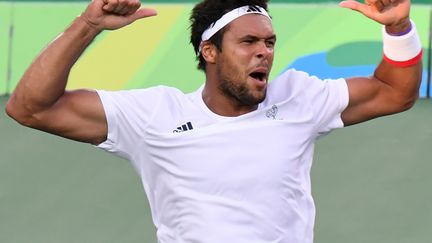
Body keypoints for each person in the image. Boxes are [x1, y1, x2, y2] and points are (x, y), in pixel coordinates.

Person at [5, 0, 422, 242]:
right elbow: (31, 107)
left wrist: (400, 27)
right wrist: (88, 25)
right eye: (248, 42)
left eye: (270, 42)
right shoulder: (155, 116)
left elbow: (394, 92)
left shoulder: (298, 98)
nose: (265, 52)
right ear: (210, 52)